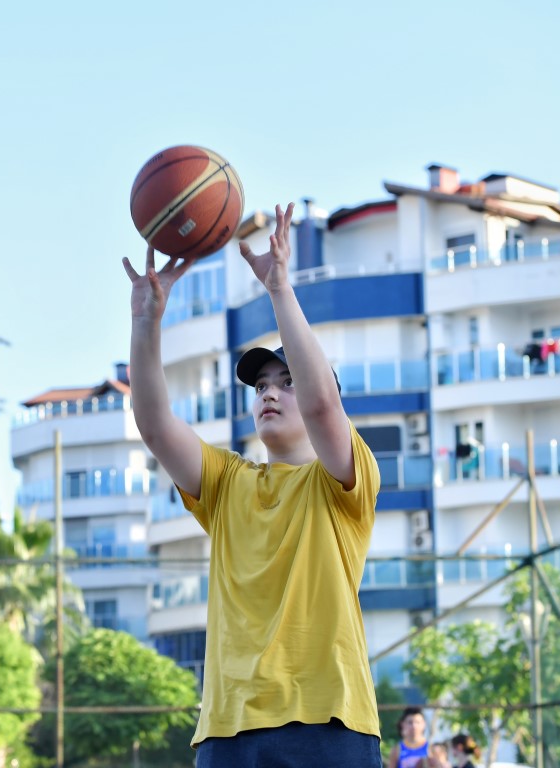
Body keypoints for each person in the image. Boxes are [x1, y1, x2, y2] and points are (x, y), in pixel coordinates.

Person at [123, 203, 381, 766]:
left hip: (328, 721)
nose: (269, 392)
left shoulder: (344, 480)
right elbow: (154, 424)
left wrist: (279, 288)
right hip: (229, 726)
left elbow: (322, 406)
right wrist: (146, 323)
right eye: (262, 384)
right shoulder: (227, 484)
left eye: (286, 381)